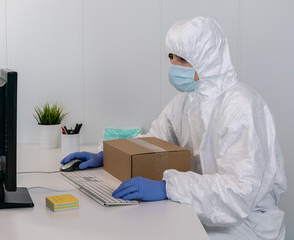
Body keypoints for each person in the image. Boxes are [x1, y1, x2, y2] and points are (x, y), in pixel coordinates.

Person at [61, 16, 286, 239]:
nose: (174, 66)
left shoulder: (241, 105)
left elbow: (238, 194)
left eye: (183, 59)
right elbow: (153, 142)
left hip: (244, 225)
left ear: (207, 58)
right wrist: (109, 155)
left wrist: (168, 188)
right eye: (171, 57)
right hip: (197, 208)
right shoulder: (187, 101)